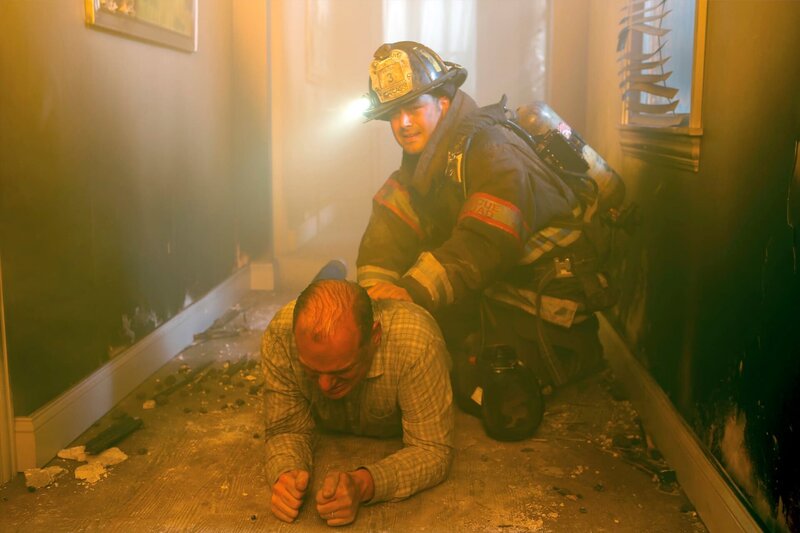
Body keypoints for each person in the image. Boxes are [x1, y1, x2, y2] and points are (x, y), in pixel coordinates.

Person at [357, 41, 611, 413]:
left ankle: (575, 359)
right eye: (394, 114)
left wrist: (409, 291)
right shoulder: (425, 164)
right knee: (420, 355)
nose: (403, 124)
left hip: (545, 301)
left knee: (471, 386)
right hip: (497, 290)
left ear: (443, 102)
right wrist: (365, 308)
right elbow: (389, 224)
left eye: (413, 108)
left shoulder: (491, 149)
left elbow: (487, 240)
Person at [261, 279, 453, 526]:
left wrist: (364, 484)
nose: (325, 386)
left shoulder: (417, 344)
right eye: (310, 370)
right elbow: (286, 428)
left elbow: (432, 449)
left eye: (342, 371)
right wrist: (286, 474)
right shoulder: (281, 335)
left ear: (375, 336)